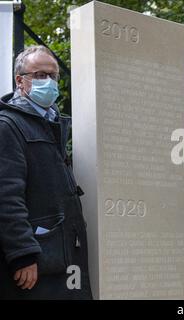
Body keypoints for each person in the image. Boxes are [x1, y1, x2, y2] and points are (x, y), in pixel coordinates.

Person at [0, 45, 92, 299]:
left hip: (64, 253)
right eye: (40, 75)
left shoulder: (53, 123)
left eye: (53, 76)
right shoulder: (8, 125)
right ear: (21, 81)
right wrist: (23, 254)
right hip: (37, 262)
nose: (49, 82)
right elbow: (7, 196)